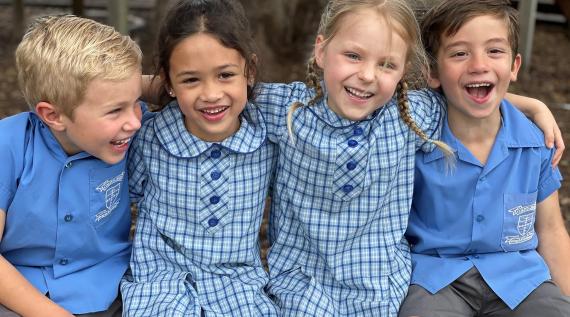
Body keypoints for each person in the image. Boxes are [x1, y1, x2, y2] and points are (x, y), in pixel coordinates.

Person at [251, 0, 565, 316]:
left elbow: (466, 92)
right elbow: (229, 91)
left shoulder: (413, 118)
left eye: (387, 64)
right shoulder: (291, 110)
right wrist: (533, 104)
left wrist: (531, 106)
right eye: (353, 56)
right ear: (321, 50)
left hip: (412, 289)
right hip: (340, 285)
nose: (367, 75)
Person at [399, 1, 570, 316]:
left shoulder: (534, 143)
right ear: (433, 71)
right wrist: (533, 103)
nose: (479, 64)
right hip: (437, 278)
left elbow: (551, 230)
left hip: (520, 280)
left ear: (514, 66)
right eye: (460, 53)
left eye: (494, 51)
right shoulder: (413, 136)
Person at [119, 0, 279, 316]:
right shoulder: (150, 138)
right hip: (160, 284)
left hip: (238, 286)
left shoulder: (268, 138)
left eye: (225, 75)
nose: (210, 94)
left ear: (250, 71)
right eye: (191, 79)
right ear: (168, 82)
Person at [0, 15, 143, 316]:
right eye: (115, 110)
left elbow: (183, 90)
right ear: (53, 115)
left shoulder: (129, 135)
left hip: (109, 287)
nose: (133, 121)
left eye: (136, 102)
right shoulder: (8, 145)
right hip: (18, 292)